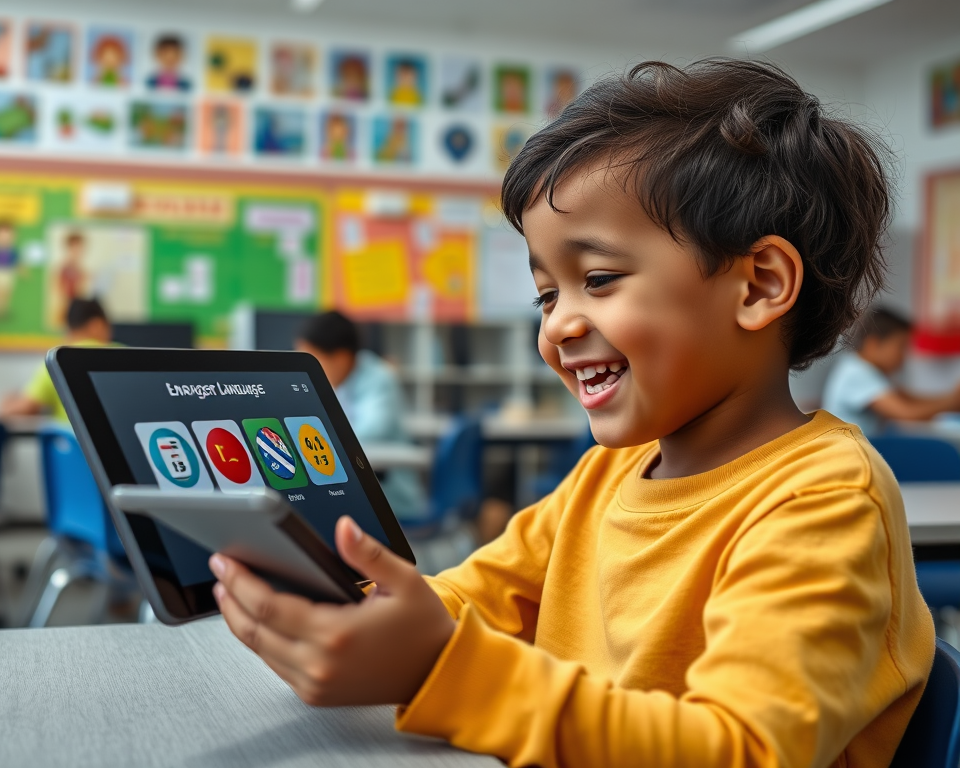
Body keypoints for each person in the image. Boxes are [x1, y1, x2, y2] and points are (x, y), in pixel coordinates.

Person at [208, 60, 934, 767]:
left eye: (598, 279)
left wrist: (440, 670)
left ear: (758, 286)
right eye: (547, 295)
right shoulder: (608, 473)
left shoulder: (822, 501)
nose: (556, 327)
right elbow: (472, 598)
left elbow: (741, 749)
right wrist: (345, 607)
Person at [294, 311, 425, 520]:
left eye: (313, 359)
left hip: (390, 495)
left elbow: (369, 432)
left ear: (341, 358)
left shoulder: (380, 379)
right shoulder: (338, 383)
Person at [824, 307, 960, 434]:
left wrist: (950, 401)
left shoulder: (865, 368)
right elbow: (906, 414)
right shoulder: (857, 372)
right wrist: (950, 403)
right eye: (901, 347)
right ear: (873, 344)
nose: (904, 356)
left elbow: (907, 398)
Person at [0, 298, 112, 421]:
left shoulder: (58, 359)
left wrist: (6, 406)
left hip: (71, 439)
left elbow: (26, 407)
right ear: (97, 325)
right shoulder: (124, 354)